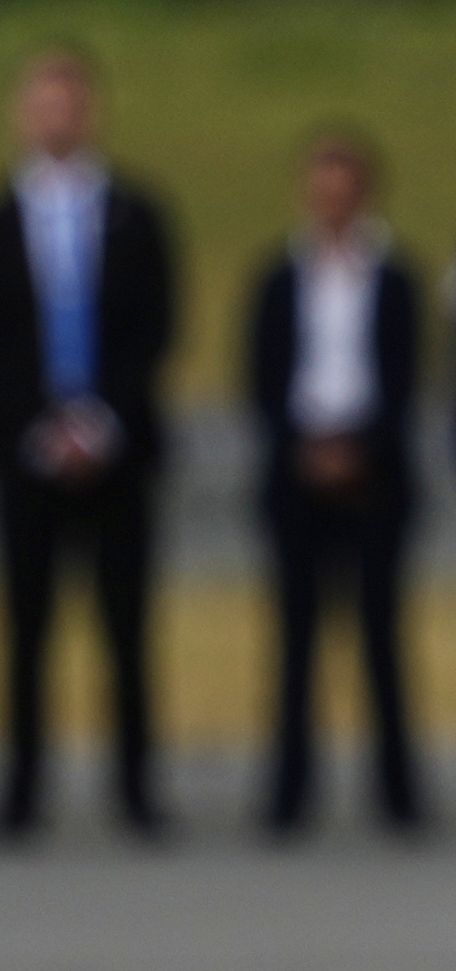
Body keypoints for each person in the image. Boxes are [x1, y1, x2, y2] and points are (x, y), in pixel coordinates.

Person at [0, 48, 173, 837]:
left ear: (91, 109)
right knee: (29, 628)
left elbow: (154, 326)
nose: (58, 114)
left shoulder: (135, 212)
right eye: (44, 100)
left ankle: (135, 790)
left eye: (71, 100)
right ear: (23, 112)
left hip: (118, 451)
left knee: (126, 627)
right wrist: (42, 423)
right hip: (27, 455)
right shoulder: (6, 217)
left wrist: (100, 421)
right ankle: (26, 788)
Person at [248, 128, 423, 834]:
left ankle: (398, 794)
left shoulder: (394, 276)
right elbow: (259, 374)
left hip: (374, 472)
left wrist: (360, 450)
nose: (333, 203)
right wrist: (303, 447)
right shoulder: (279, 275)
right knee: (294, 638)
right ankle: (289, 794)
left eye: (345, 190)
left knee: (382, 634)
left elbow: (406, 375)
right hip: (297, 467)